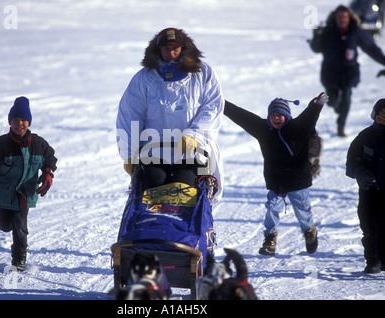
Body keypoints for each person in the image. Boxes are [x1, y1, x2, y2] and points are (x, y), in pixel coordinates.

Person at [116, 27, 224, 203]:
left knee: (184, 188)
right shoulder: (144, 78)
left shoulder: (203, 74)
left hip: (191, 150)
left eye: (175, 48)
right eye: (166, 49)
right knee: (152, 183)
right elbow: (130, 115)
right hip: (154, 150)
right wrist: (130, 152)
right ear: (158, 49)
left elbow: (212, 107)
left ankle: (181, 228)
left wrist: (194, 136)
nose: (171, 53)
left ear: (183, 49)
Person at [224, 92, 329, 256]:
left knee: (302, 211)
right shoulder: (263, 129)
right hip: (277, 180)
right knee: (272, 209)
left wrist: (315, 105)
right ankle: (269, 239)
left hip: (297, 179)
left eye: (280, 114)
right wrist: (220, 102)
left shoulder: (297, 128)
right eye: (273, 114)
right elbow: (241, 115)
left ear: (287, 116)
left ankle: (309, 231)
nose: (276, 117)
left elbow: (308, 117)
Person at [0, 96, 57, 271]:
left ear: (29, 122)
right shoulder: (0, 145)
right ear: (10, 122)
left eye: (24, 120)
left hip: (24, 194)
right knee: (6, 226)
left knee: (20, 228)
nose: (20, 124)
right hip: (3, 194)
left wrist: (48, 174)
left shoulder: (38, 144)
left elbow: (50, 158)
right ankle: (4, 222)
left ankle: (19, 262)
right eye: (16, 120)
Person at [310, 5, 385, 137]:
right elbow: (316, 48)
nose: (342, 20)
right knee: (331, 100)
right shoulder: (328, 31)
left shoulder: (355, 31)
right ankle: (337, 107)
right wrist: (316, 36)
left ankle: (341, 125)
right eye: (339, 17)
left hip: (348, 73)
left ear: (349, 18)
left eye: (345, 17)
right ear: (335, 18)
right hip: (330, 73)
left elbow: (371, 48)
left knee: (346, 98)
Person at [346, 99, 385, 273]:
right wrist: (359, 172)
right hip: (368, 189)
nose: (381, 120)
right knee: (368, 225)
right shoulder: (365, 136)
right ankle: (373, 261)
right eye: (379, 116)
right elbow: (352, 159)